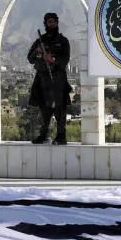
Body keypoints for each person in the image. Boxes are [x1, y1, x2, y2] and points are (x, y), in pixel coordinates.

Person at [26, 12, 71, 145]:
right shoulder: (39, 42)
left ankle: (61, 136)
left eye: (54, 21)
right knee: (43, 109)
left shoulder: (63, 41)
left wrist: (52, 60)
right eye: (49, 21)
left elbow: (65, 60)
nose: (52, 23)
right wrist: (37, 51)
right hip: (41, 79)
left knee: (59, 109)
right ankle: (44, 134)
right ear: (45, 24)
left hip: (57, 80)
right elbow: (30, 59)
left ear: (57, 23)